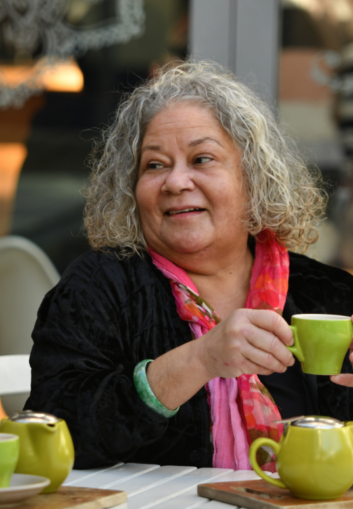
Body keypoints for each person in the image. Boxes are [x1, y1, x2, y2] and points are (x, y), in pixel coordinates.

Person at [24, 61, 353, 471]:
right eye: (155, 165)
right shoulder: (97, 288)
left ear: (253, 181)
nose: (176, 182)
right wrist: (200, 360)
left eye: (201, 159)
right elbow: (53, 431)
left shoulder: (330, 296)